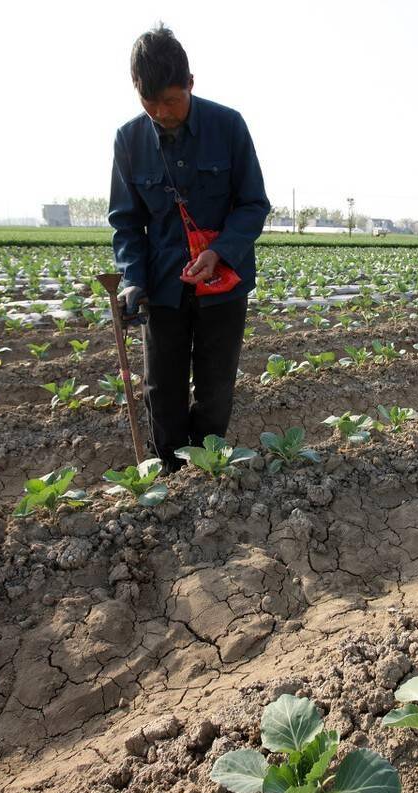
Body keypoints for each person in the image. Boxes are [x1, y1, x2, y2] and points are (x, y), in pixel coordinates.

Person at [108, 24, 269, 471]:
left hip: (224, 285)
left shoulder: (228, 126)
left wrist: (219, 251)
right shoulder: (128, 140)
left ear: (191, 85)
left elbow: (254, 203)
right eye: (150, 103)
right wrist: (132, 278)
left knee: (216, 388)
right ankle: (174, 474)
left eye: (172, 101)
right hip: (163, 288)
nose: (162, 112)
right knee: (162, 389)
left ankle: (206, 467)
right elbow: (126, 221)